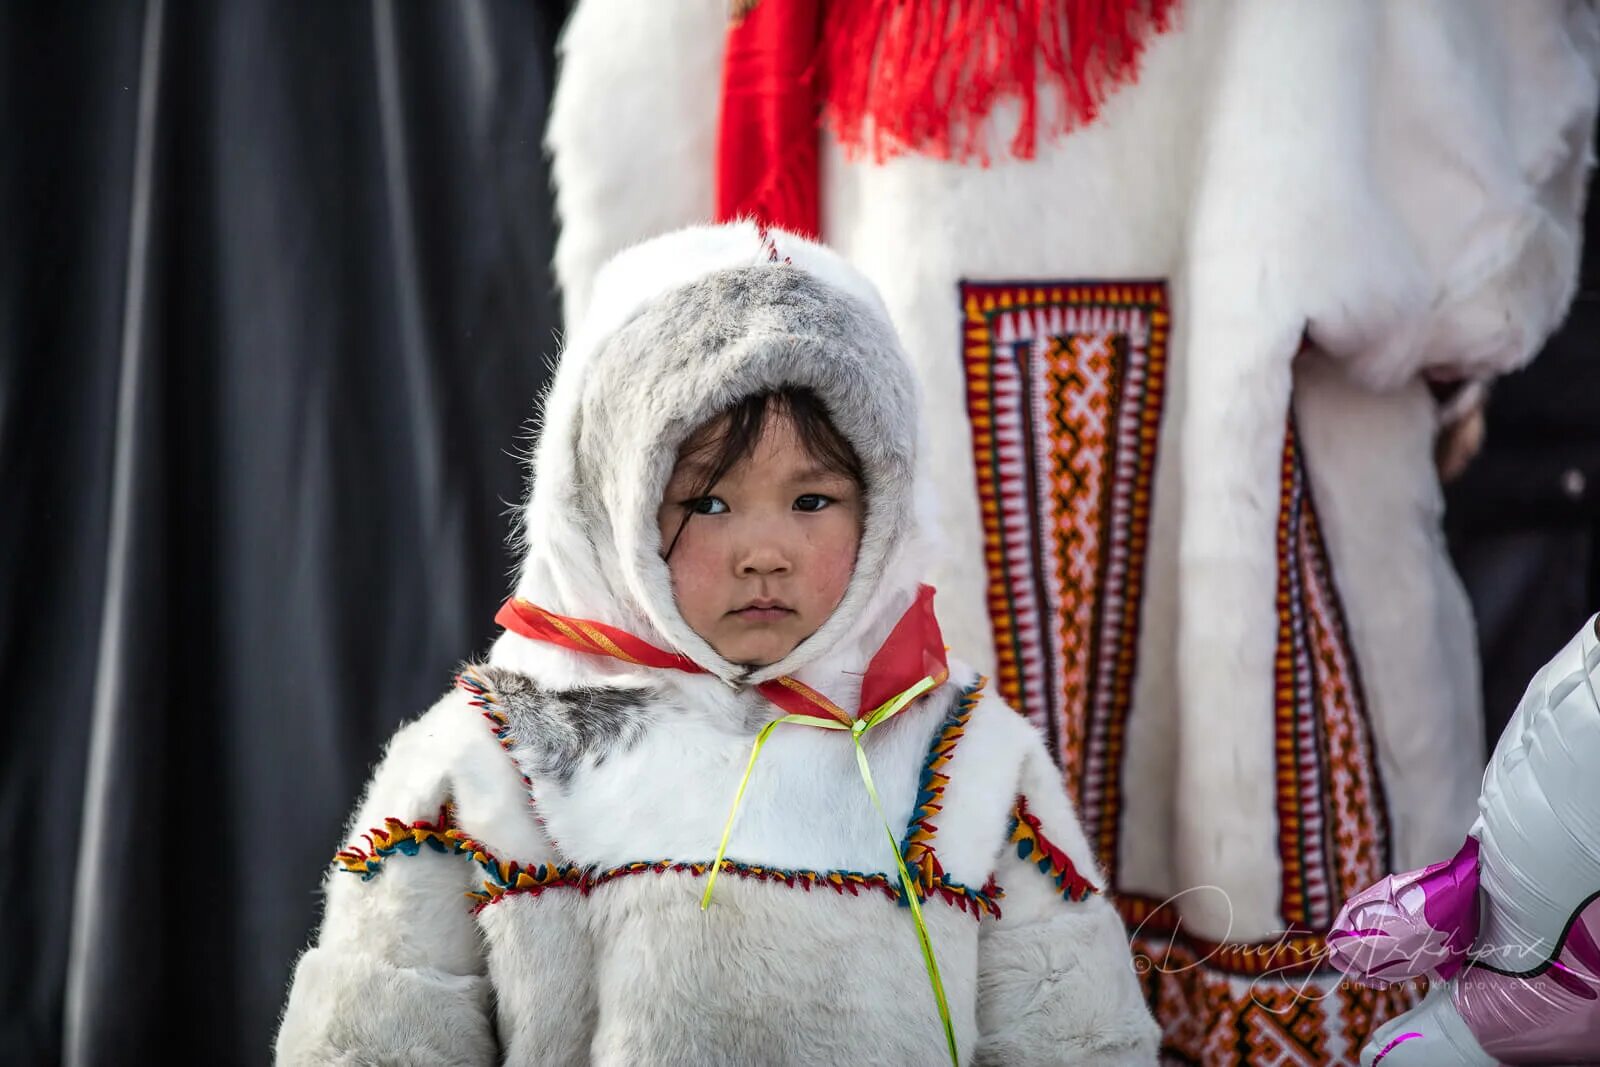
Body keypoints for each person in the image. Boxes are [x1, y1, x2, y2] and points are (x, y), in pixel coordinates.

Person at [547, 4, 1599, 1058]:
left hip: (876, 509)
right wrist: (1452, 366)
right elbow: (1467, 237)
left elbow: (645, 218)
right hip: (1248, 512)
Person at [274, 222, 1160, 1065]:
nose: (764, 553)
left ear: (882, 500)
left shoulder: (962, 753)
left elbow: (1075, 1034)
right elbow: (375, 1037)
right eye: (707, 502)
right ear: (612, 499)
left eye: (812, 501)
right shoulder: (493, 759)